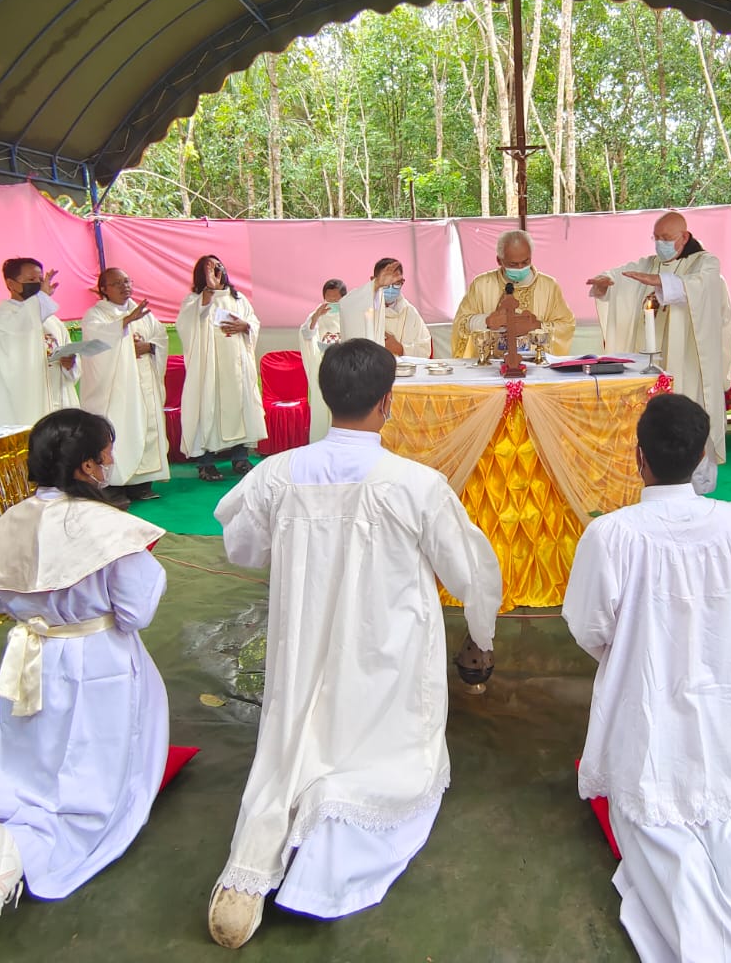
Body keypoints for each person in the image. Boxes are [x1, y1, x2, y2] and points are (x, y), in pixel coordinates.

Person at [207, 339, 503, 948]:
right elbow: (471, 571)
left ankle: (250, 870)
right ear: (387, 403)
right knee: (381, 764)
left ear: (325, 396)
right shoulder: (416, 484)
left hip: (302, 645)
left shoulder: (277, 473)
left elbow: (241, 545)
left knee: (288, 754)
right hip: (384, 653)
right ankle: (321, 866)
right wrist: (482, 636)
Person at [564, 393, 731, 963]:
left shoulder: (613, 534)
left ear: (638, 457)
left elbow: (589, 627)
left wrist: (638, 651)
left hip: (647, 708)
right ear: (704, 456)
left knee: (663, 838)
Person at [0, 409, 167, 959]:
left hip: (29, 654)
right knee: (92, 781)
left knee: (29, 757)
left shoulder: (6, 525)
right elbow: (135, 612)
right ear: (89, 465)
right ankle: (17, 855)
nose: (112, 461)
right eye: (108, 451)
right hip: (98, 661)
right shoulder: (110, 529)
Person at [588, 211, 731, 495]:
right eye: (656, 238)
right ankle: (653, 483)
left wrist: (658, 281)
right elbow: (623, 275)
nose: (660, 244)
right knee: (657, 425)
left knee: (690, 421)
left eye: (666, 238)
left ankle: (698, 490)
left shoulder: (704, 263)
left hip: (690, 362)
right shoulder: (651, 263)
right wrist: (606, 282)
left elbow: (699, 288)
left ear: (684, 237)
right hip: (657, 360)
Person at [79, 268, 169, 501]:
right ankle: (114, 485)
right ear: (104, 289)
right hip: (116, 388)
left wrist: (150, 347)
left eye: (127, 281)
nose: (124, 287)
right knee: (119, 431)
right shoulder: (96, 315)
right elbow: (96, 347)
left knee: (147, 426)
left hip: (144, 382)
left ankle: (141, 484)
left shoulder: (143, 312)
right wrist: (126, 324)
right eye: (117, 283)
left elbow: (161, 337)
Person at [176, 255, 266, 482]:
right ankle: (206, 463)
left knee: (240, 407)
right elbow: (189, 323)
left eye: (218, 266)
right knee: (208, 409)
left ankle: (240, 457)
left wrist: (246, 326)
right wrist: (209, 290)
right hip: (210, 369)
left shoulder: (238, 298)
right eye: (209, 269)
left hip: (236, 366)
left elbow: (253, 322)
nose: (217, 271)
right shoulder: (194, 300)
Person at [449, 229, 577, 357]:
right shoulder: (481, 284)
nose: (520, 268)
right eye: (513, 264)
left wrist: (536, 326)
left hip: (536, 366)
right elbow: (461, 323)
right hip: (491, 366)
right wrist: (486, 321)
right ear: (499, 261)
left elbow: (567, 325)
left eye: (525, 262)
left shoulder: (549, 286)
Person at [0, 257, 80, 426]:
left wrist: (70, 364)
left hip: (59, 402)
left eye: (40, 279)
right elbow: (23, 327)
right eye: (31, 280)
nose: (38, 284)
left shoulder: (53, 322)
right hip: (26, 408)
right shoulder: (2, 319)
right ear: (11, 284)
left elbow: (69, 357)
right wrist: (42, 298)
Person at [338, 257, 432, 357]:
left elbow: (425, 348)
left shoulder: (410, 312)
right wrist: (377, 284)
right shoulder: (364, 306)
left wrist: (401, 349)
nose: (391, 289)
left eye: (396, 283)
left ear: (402, 282)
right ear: (373, 280)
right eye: (386, 284)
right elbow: (345, 305)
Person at [299, 278, 346, 442]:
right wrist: (316, 317)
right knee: (322, 406)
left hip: (344, 367)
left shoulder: (349, 314)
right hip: (323, 365)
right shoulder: (316, 314)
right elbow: (306, 335)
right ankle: (321, 440)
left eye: (336, 299)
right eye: (329, 298)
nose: (332, 302)